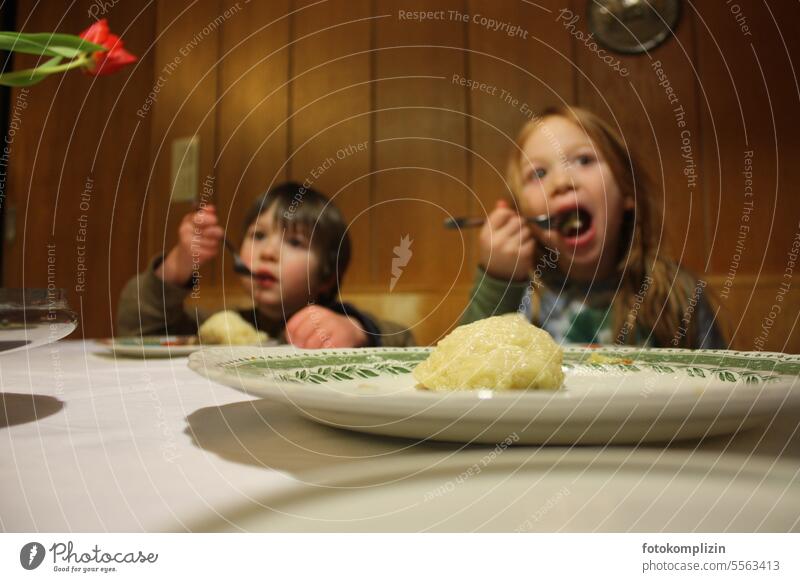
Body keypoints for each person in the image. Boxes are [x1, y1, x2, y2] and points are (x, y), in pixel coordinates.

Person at [462, 105, 726, 348]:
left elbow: (716, 390)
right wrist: (498, 280)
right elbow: (463, 376)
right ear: (523, 212)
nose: (562, 182)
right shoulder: (519, 300)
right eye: (539, 173)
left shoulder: (677, 296)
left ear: (626, 190)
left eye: (584, 160)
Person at [118, 182, 414, 347]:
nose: (268, 252)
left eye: (295, 243)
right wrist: (178, 266)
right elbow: (138, 329)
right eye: (258, 235)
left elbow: (404, 340)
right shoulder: (225, 327)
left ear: (327, 277)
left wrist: (358, 331)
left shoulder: (338, 321)